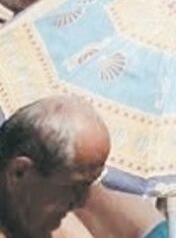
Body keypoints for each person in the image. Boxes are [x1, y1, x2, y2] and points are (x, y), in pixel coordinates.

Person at [0, 95, 110, 238]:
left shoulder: (38, 213)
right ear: (19, 172)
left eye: (89, 184)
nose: (82, 201)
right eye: (75, 187)